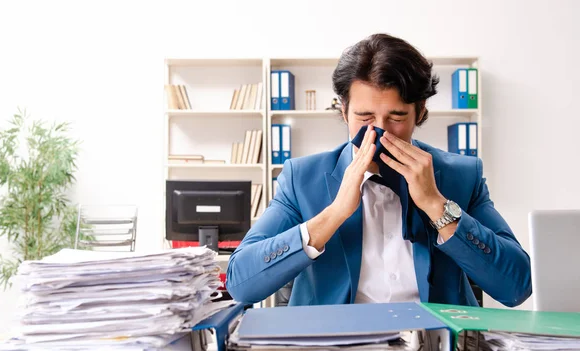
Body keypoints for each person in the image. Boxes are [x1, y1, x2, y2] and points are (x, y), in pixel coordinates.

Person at [226, 33, 531, 308]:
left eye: (396, 116)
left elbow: (516, 288)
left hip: (436, 349)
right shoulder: (301, 178)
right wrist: (334, 214)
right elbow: (241, 283)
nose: (380, 132)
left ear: (420, 112)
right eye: (365, 116)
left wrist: (437, 207)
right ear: (343, 111)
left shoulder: (462, 176)